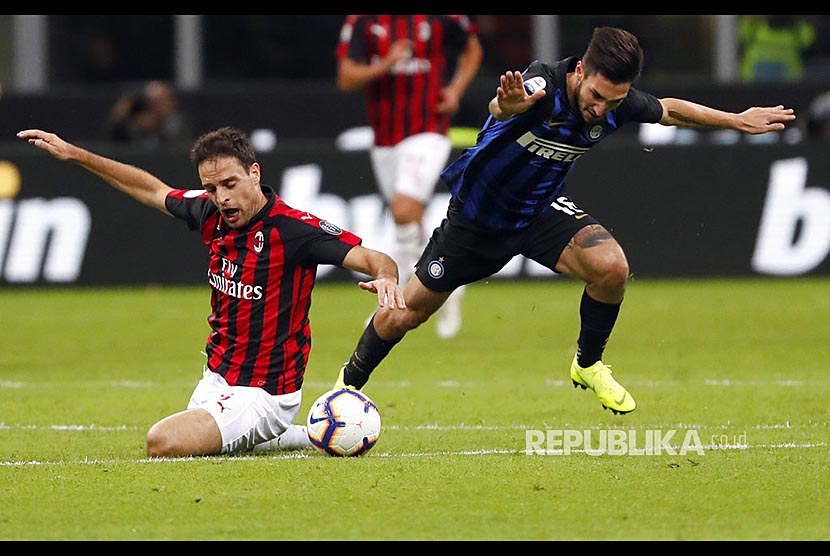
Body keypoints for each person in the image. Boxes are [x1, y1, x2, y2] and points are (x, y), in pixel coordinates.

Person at [333, 26, 796, 414]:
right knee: (402, 316)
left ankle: (588, 363)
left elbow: (671, 110)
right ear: (579, 71)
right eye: (596, 95)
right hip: (476, 223)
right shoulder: (543, 84)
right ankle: (344, 388)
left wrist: (736, 120)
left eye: (613, 102)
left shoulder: (616, 102)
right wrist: (508, 105)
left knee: (612, 269)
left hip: (539, 212)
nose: (601, 109)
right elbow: (506, 105)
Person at [17, 126, 405, 457]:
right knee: (191, 438)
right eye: (212, 187)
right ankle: (308, 434)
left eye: (230, 184)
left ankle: (280, 426)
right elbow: (152, 190)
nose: (222, 197)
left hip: (264, 394)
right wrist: (75, 154)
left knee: (162, 441)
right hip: (215, 381)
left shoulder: (294, 230)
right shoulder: (209, 212)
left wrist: (386, 277)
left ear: (255, 173)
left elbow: (376, 258)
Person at [335, 15, 483, 339]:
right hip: (385, 138)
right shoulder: (362, 21)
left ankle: (392, 304)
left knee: (403, 209)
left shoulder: (442, 19)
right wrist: (384, 64)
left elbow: (472, 46)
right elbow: (346, 77)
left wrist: (455, 88)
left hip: (428, 128)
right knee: (408, 219)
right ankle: (446, 283)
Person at [107, 80, 192, 147]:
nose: (158, 106)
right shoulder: (136, 122)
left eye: (162, 101)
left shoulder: (176, 123)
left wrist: (158, 126)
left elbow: (179, 146)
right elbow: (114, 140)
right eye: (153, 102)